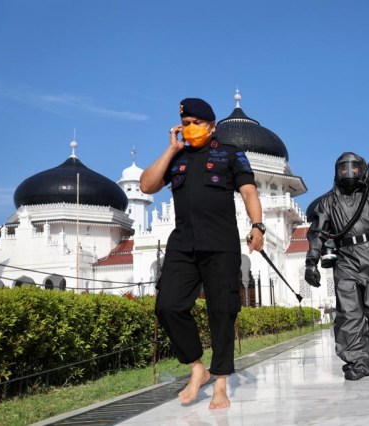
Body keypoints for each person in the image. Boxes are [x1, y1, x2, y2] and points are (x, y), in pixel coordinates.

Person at [140, 98, 265, 408]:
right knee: (168, 306)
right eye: (185, 123)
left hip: (220, 244)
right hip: (182, 244)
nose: (189, 128)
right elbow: (146, 185)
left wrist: (258, 226)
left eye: (196, 122)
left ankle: (221, 381)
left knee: (221, 312)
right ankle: (198, 367)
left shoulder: (230, 154)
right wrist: (171, 149)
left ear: (211, 126)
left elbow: (249, 190)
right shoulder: (178, 158)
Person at [304, 152, 369, 380]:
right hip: (345, 260)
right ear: (336, 172)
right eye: (343, 169)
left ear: (362, 170)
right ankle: (358, 361)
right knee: (349, 314)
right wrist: (311, 262)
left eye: (354, 168)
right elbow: (317, 233)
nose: (349, 173)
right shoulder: (327, 203)